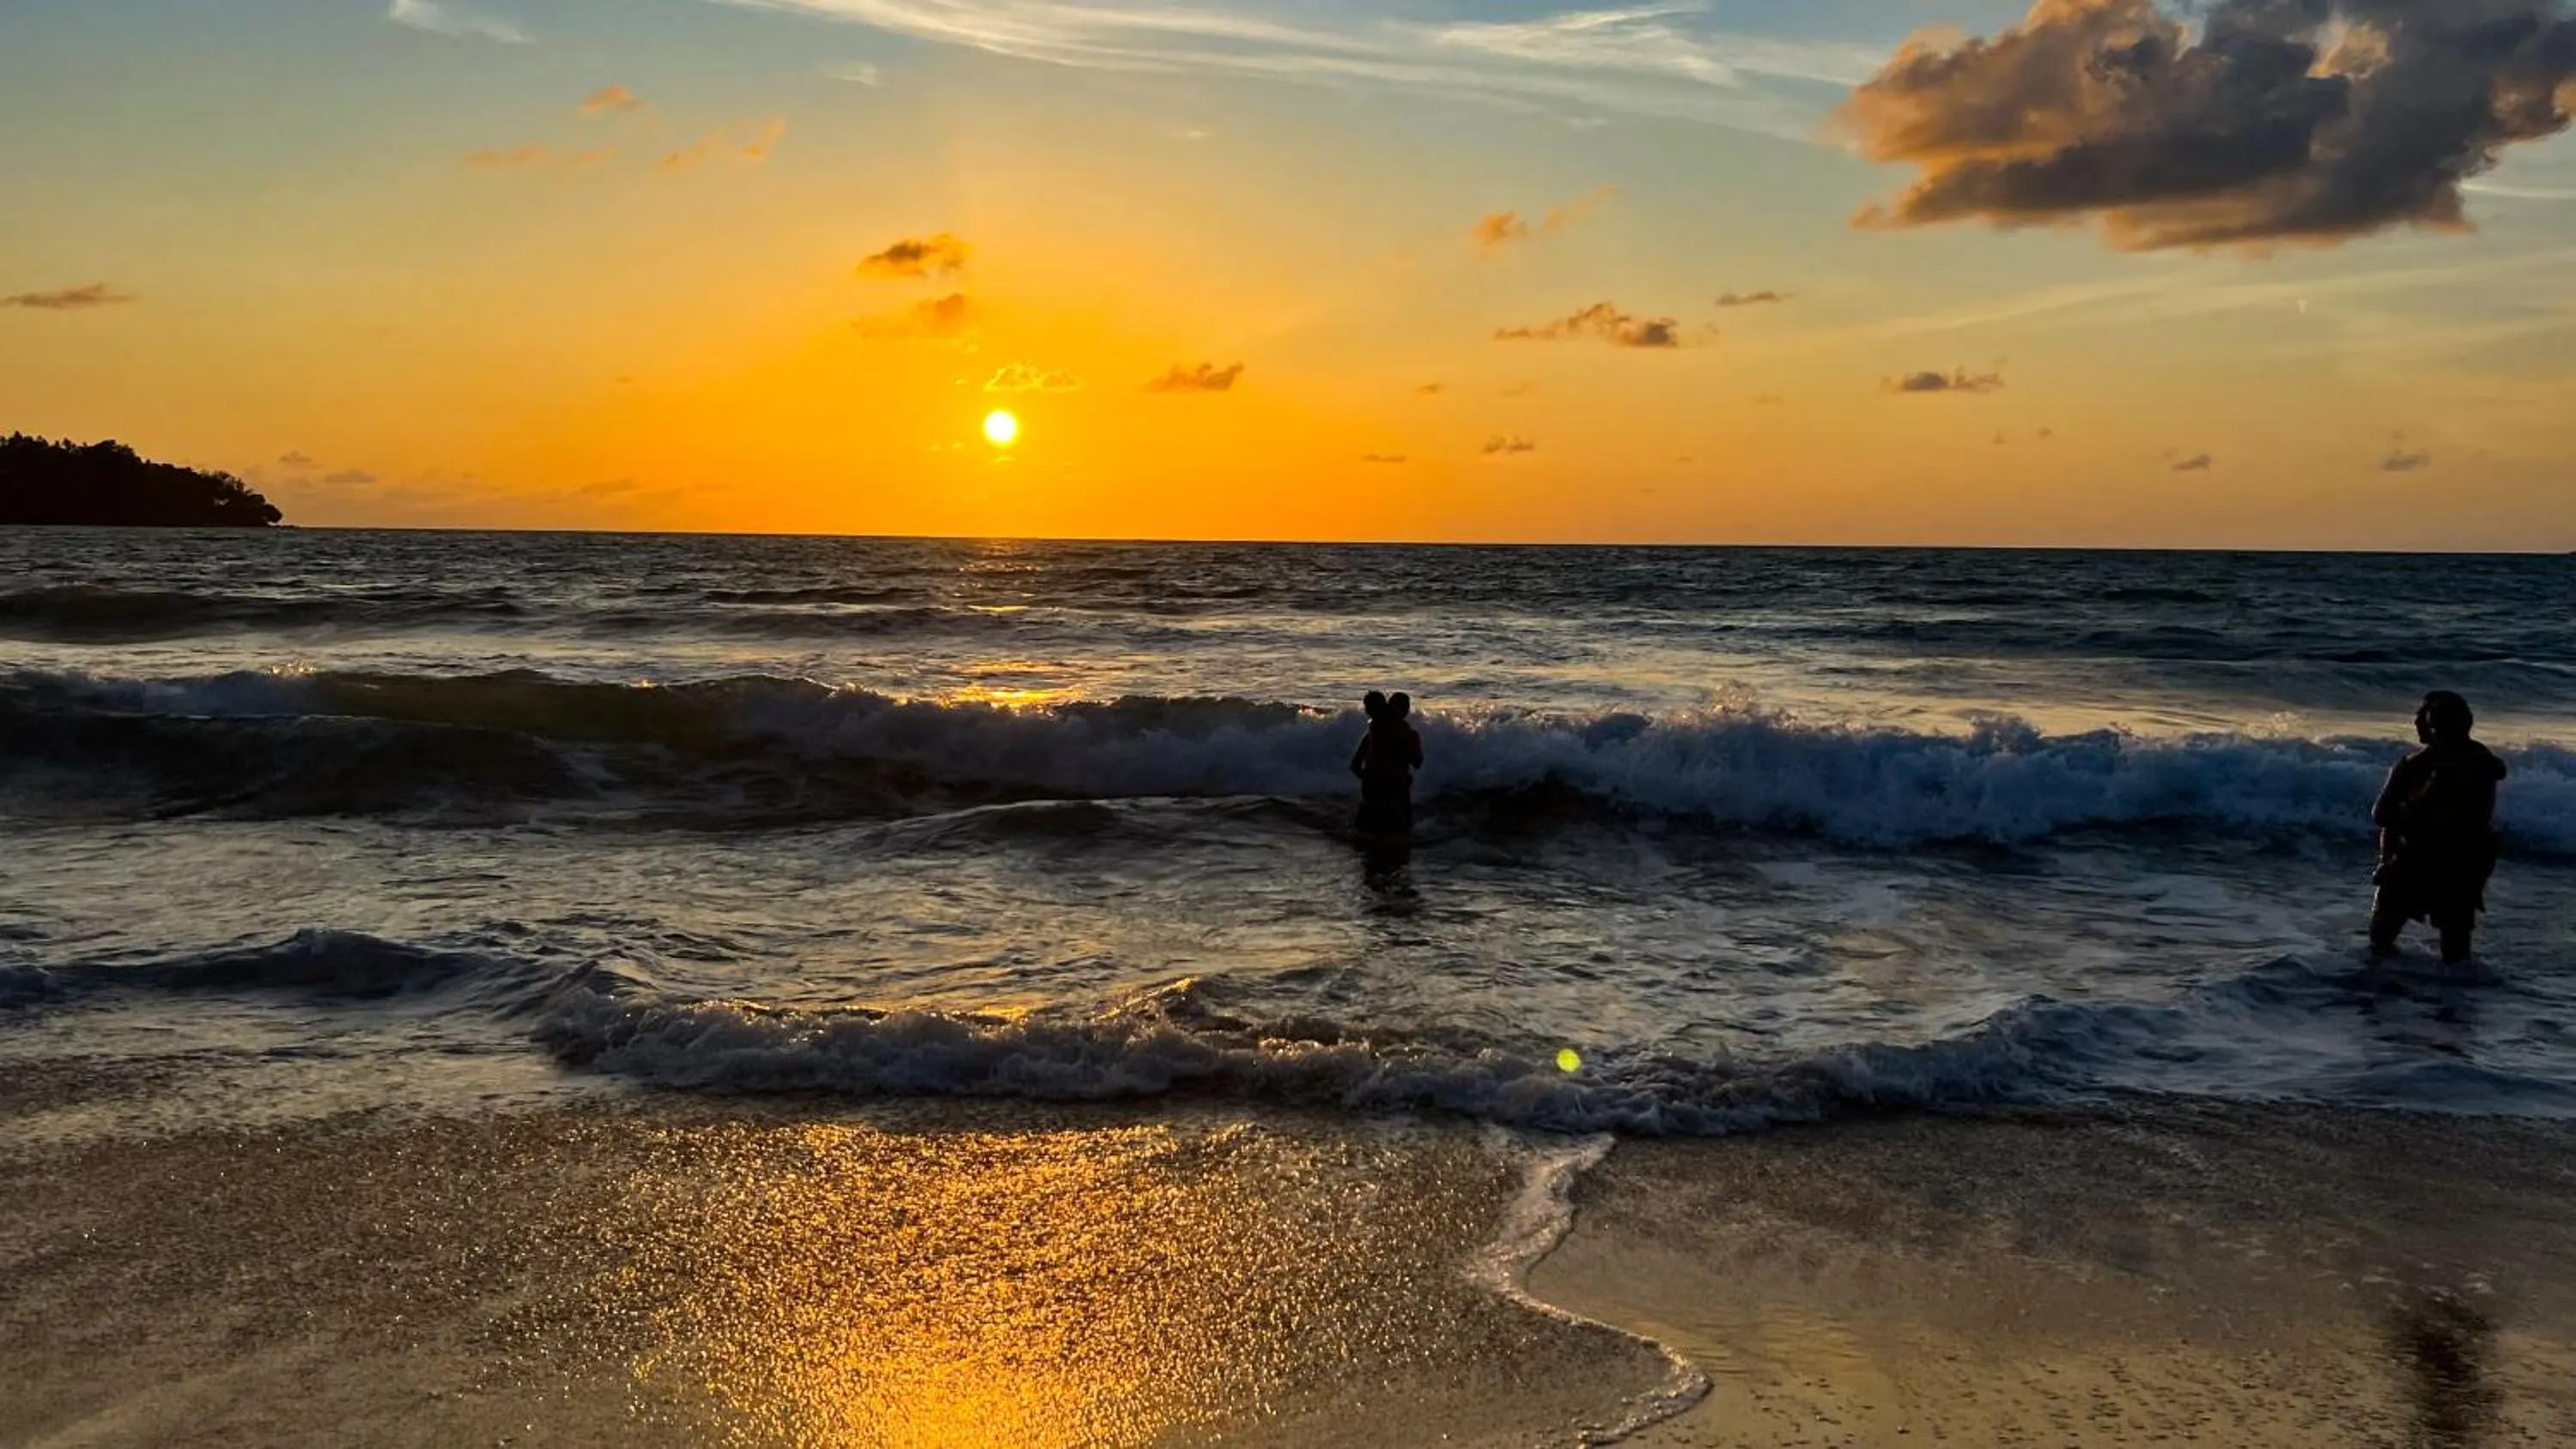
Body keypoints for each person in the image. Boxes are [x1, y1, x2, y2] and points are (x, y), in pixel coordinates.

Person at [2369, 691, 2506, 966]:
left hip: (2459, 857)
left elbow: (2477, 815)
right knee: (2382, 932)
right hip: (2412, 853)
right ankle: (2381, 980)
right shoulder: (2412, 764)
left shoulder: (2479, 761)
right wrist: (2395, 845)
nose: (2418, 725)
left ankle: (2453, 994)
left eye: (2427, 721)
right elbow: (2381, 813)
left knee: (2455, 937)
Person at [1350, 690, 1424, 834]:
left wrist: (1368, 778)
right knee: (1396, 830)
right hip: (1388, 789)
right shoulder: (1385, 731)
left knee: (1368, 831)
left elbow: (1356, 764)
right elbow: (1417, 762)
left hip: (1384, 788)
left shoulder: (1383, 730)